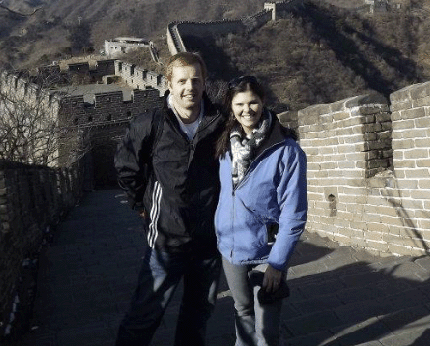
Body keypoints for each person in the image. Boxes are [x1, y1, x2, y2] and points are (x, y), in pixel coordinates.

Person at [114, 51, 225, 346]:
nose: (190, 87)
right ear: (169, 83)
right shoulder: (150, 124)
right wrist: (142, 206)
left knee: (197, 315)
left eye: (196, 80)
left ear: (204, 84)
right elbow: (126, 167)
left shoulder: (219, 122)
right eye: (182, 80)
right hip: (166, 238)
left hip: (209, 240)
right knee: (145, 314)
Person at [214, 75, 308, 346]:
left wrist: (278, 264)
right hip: (231, 247)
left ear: (263, 101)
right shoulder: (225, 145)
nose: (247, 110)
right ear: (231, 106)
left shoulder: (286, 150)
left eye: (253, 102)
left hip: (267, 252)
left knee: (266, 329)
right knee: (242, 313)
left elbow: (294, 213)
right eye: (240, 104)